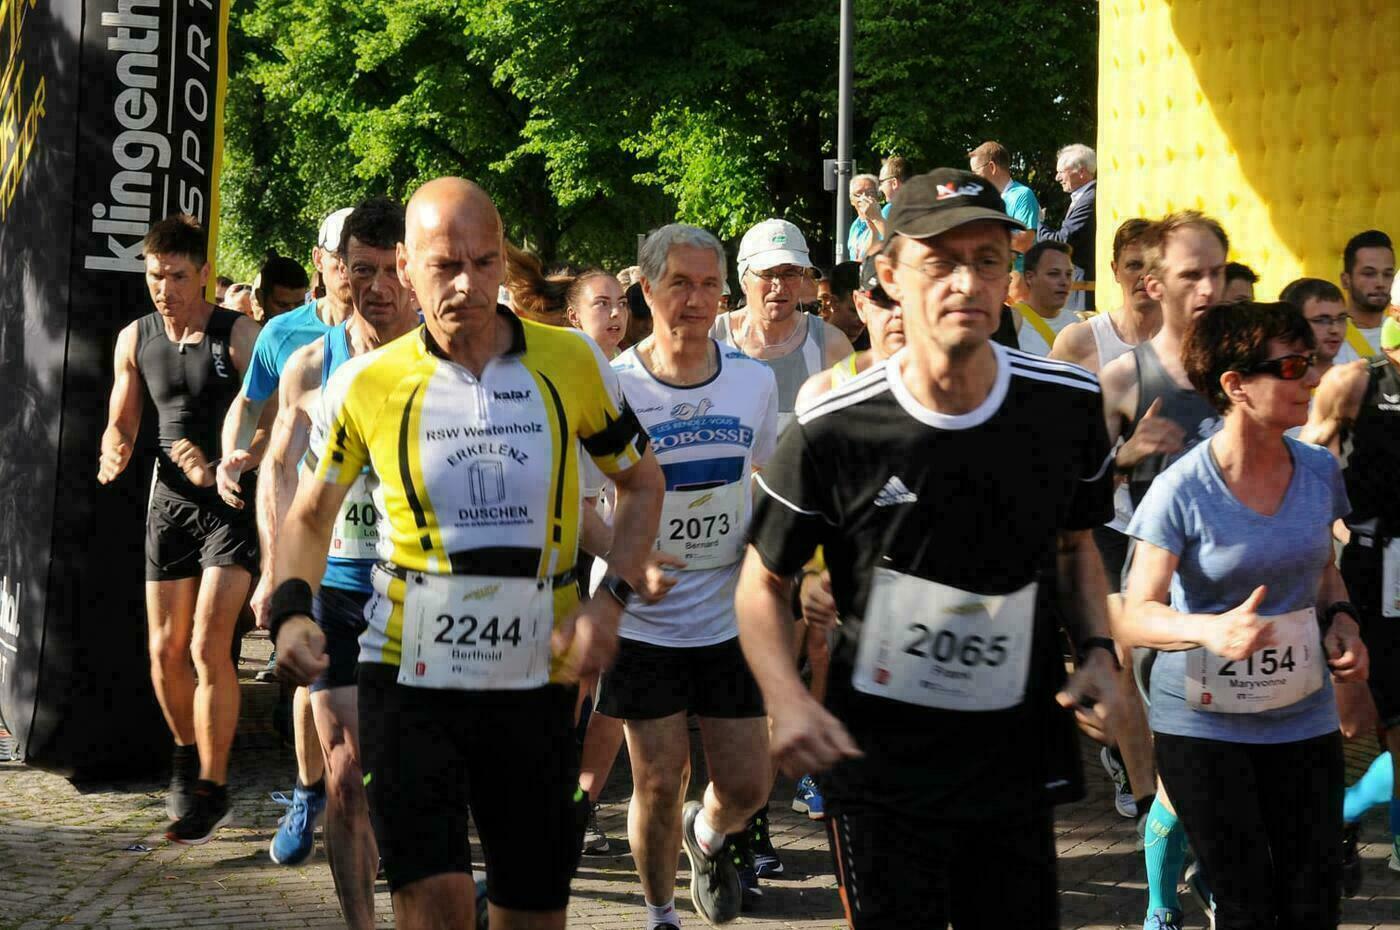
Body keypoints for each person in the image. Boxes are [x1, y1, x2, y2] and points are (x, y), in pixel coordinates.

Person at [269, 177, 666, 930]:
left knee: (532, 913)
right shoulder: (365, 383)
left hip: (537, 678)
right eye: (445, 266)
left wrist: (609, 603)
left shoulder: (572, 361)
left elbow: (643, 483)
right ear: (406, 268)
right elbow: (311, 515)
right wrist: (291, 610)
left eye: (484, 264)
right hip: (408, 676)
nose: (466, 284)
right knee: (434, 907)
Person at [736, 168, 1121, 930]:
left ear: (1009, 278)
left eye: (987, 260)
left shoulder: (1067, 407)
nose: (965, 282)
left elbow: (1076, 546)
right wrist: (786, 699)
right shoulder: (835, 426)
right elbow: (761, 582)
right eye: (940, 262)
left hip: (1014, 756)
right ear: (889, 276)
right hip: (879, 763)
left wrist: (1099, 650)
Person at [1120, 301, 1367, 930]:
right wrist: (1209, 629)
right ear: (1235, 384)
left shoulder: (1318, 470)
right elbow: (1136, 614)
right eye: (1291, 366)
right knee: (1245, 903)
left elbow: (1323, 569)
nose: (1312, 377)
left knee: (1314, 899)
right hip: (1205, 724)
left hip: (1301, 715)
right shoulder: (1182, 488)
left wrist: (1342, 619)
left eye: (1311, 362)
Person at [588, 223, 779, 928]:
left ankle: (709, 832)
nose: (695, 300)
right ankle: (660, 913)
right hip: (644, 619)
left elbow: (764, 476)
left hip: (728, 617)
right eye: (679, 284)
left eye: (708, 285)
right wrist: (626, 555)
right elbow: (575, 502)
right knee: (659, 779)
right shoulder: (614, 385)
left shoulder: (753, 381)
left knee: (749, 785)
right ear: (646, 289)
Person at [256, 198, 417, 927]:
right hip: (341, 588)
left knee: (413, 775)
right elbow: (279, 467)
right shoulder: (312, 364)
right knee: (347, 773)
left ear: (410, 270)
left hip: (423, 596)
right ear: (335, 271)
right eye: (360, 270)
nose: (375, 287)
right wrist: (279, 572)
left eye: (389, 270)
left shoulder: (445, 360)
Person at [97, 214, 263, 843]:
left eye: (176, 276)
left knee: (207, 645)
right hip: (168, 503)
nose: (163, 289)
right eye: (154, 276)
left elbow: (276, 419)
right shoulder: (135, 338)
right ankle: (186, 756)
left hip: (228, 500)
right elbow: (122, 419)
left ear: (204, 276)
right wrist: (114, 447)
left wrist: (229, 462)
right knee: (165, 650)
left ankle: (212, 789)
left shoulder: (238, 334)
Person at [1098, 210, 1229, 925]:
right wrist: (1127, 454)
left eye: (1218, 273)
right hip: (1164, 599)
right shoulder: (1126, 376)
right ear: (1154, 284)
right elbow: (1078, 490)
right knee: (1185, 769)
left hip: (1242, 597)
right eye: (1191, 275)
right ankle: (1160, 905)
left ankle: (1209, 877)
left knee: (1229, 765)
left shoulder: (1245, 370)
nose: (1208, 288)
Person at [215, 207, 355, 851]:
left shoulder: (405, 328)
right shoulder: (286, 335)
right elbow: (250, 405)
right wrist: (233, 451)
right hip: (309, 523)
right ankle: (307, 791)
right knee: (311, 673)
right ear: (322, 261)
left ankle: (367, 811)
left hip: (391, 536)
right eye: (344, 260)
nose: (355, 274)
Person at [1051, 217, 1162, 821]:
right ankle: (1144, 791)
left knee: (1158, 660)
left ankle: (1149, 767)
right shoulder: (1081, 342)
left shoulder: (1186, 342)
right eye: (1133, 265)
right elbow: (1055, 446)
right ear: (1114, 270)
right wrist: (1122, 454)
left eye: (1155, 266)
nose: (1145, 277)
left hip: (1170, 528)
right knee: (1123, 651)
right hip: (1109, 522)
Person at [1302, 312, 1400, 888]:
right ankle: (1337, 811)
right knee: (1360, 721)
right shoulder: (1358, 381)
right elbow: (1306, 459)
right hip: (1373, 569)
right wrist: (1325, 532)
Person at [712, 219, 854, 434]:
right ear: (744, 279)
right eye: (768, 273)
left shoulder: (830, 344)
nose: (779, 286)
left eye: (790, 273)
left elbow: (855, 428)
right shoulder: (711, 337)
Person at [1020, 143, 1097, 312]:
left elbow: (1062, 242)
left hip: (1084, 290)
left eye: (1061, 172)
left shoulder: (1090, 199)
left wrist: (1035, 222)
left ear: (1081, 172)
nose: (1057, 177)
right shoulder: (1085, 197)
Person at [967, 140, 1040, 275]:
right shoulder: (986, 200)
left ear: (992, 167)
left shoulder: (1022, 195)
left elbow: (1024, 242)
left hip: (1020, 280)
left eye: (975, 172)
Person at [1335, 229, 1396, 362]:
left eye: (1387, 274)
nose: (1380, 283)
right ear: (1345, 280)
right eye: (1369, 274)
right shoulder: (1330, 337)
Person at [1010, 240, 1075, 356]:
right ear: (1030, 277)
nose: (1064, 282)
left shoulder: (1075, 324)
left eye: (1068, 274)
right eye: (1054, 274)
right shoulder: (1011, 324)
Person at [1280, 278, 1348, 381]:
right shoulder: (1277, 383)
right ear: (1294, 322)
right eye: (1322, 320)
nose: (1335, 329)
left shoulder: (1357, 382)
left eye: (1341, 319)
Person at [566, 269, 630, 358]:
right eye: (602, 303)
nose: (616, 312)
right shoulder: (558, 364)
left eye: (622, 303)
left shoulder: (637, 362)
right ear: (574, 316)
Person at [252, 252, 312, 323]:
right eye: (282, 305)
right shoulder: (247, 329)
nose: (292, 314)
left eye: (299, 305)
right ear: (260, 298)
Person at [824, 262, 867, 349]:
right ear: (834, 302)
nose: (861, 319)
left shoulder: (876, 347)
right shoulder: (810, 342)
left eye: (866, 312)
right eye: (854, 311)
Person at [846, 174, 888, 262]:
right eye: (858, 194)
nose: (864, 197)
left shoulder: (885, 217)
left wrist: (876, 218)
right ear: (852, 200)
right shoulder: (855, 226)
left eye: (870, 193)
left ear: (878, 197)